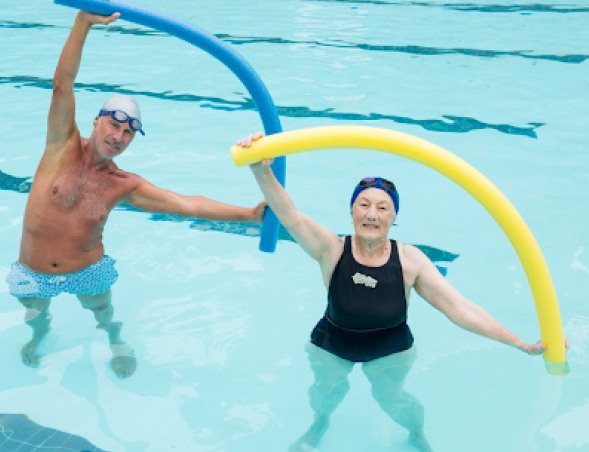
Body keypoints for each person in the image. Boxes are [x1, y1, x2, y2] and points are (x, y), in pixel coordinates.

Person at [236, 132, 550, 451]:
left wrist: (520, 344)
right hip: (332, 341)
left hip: (390, 348)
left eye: (383, 208)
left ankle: (417, 434)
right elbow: (288, 213)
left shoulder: (411, 261)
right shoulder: (330, 248)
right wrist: (259, 168)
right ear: (352, 212)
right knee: (323, 394)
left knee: (394, 399)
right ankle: (320, 421)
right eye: (364, 205)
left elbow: (460, 309)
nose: (372, 214)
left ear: (393, 217)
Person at [5, 11, 265, 380]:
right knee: (34, 312)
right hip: (32, 270)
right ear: (96, 121)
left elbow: (187, 205)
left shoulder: (124, 184)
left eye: (129, 133)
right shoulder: (60, 146)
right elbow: (63, 83)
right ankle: (39, 337)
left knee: (103, 314)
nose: (118, 137)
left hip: (88, 272)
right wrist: (83, 24)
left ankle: (115, 340)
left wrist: (251, 214)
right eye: (114, 124)